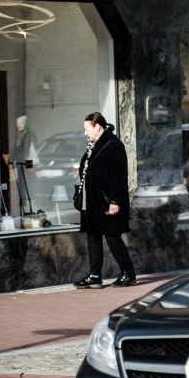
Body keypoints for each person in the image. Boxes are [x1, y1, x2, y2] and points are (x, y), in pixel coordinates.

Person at [74, 112, 137, 289]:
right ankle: (95, 275)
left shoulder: (113, 145)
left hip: (106, 200)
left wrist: (115, 201)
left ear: (98, 127)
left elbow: (118, 175)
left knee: (111, 235)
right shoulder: (93, 146)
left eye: (87, 129)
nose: (85, 133)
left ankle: (128, 273)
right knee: (93, 236)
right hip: (92, 200)